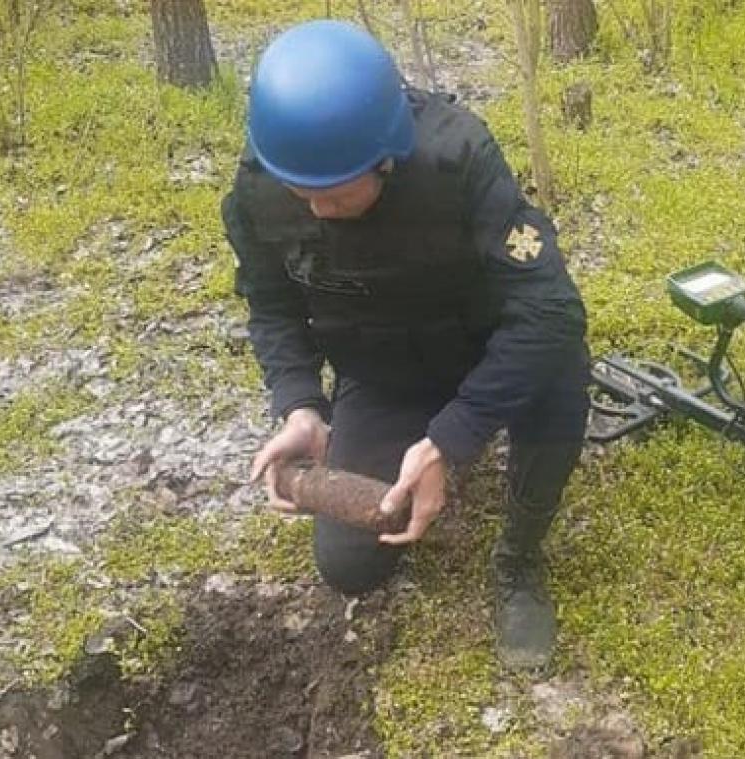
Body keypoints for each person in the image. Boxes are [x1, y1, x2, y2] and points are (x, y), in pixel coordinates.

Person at [222, 20, 590, 670]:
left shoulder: (458, 159)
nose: (316, 210)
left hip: (490, 350)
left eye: (335, 194)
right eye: (300, 192)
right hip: (389, 371)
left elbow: (549, 310)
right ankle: (417, 450)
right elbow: (271, 304)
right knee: (349, 563)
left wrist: (455, 434)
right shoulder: (262, 188)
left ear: (385, 156)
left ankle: (519, 558)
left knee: (557, 367)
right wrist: (302, 404)